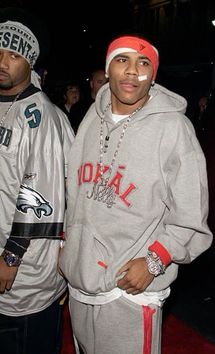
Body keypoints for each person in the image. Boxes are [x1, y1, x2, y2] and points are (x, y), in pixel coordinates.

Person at [59, 34, 213, 354]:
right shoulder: (91, 119)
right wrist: (68, 249)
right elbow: (74, 194)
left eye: (143, 63)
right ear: (107, 69)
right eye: (122, 60)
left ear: (152, 75)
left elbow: (191, 216)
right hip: (80, 285)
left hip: (128, 291)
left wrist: (155, 261)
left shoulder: (173, 129)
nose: (132, 71)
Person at [0, 7, 74, 354]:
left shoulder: (39, 116)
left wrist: (10, 257)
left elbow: (40, 195)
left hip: (25, 273)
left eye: (14, 55)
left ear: (29, 62)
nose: (3, 61)